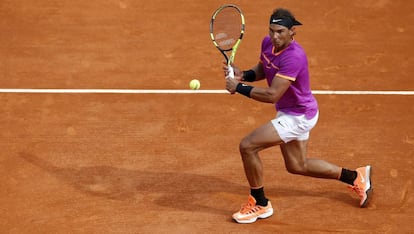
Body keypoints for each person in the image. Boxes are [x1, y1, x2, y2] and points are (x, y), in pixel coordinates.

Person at [223, 8, 372, 224]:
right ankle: (356, 176)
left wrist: (239, 87)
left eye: (280, 31)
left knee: (248, 146)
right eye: (272, 30)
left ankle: (260, 203)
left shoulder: (294, 56)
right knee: (297, 165)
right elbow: (265, 68)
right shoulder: (268, 43)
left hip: (298, 116)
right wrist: (243, 74)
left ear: (293, 32)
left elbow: (272, 94)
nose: (275, 36)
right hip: (294, 111)